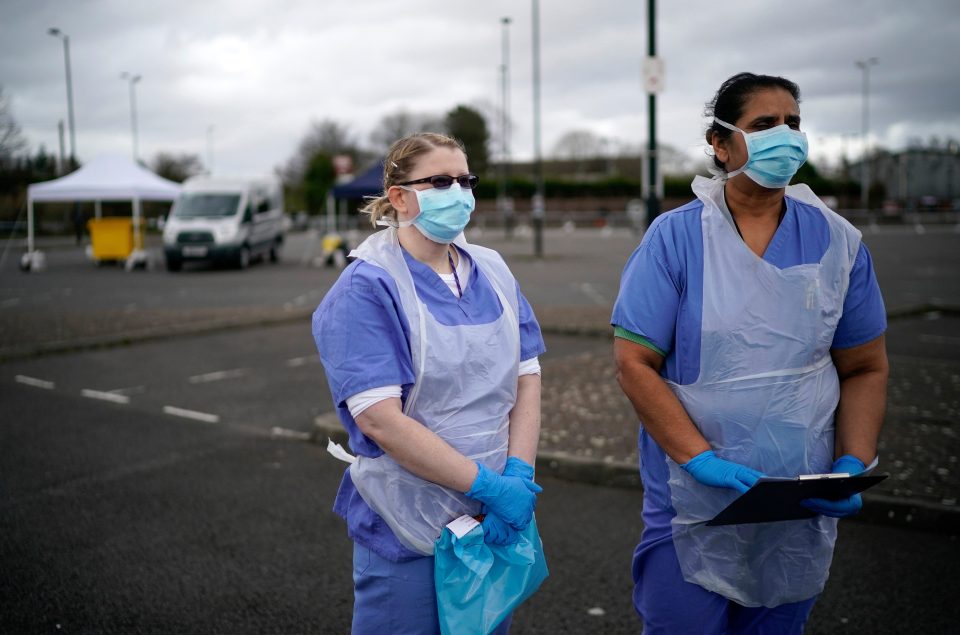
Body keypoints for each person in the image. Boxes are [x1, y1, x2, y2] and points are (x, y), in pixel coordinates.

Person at [612, 72, 889, 634]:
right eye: (764, 124)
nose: (784, 136)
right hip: (692, 494)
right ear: (720, 142)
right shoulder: (675, 239)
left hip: (799, 495)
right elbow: (634, 364)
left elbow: (864, 366)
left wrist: (851, 463)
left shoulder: (838, 243)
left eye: (793, 123)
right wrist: (699, 459)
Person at [313, 133, 546, 634]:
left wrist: (519, 475)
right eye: (441, 181)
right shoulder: (367, 287)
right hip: (407, 522)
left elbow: (527, 376)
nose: (459, 192)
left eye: (466, 180)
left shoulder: (493, 271)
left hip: (490, 520)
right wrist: (488, 485)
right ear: (399, 197)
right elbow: (380, 420)